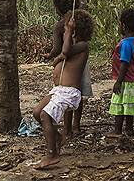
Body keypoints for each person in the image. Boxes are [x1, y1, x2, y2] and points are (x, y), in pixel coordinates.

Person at [32, 10, 93, 170]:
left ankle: (52, 154)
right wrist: (58, 58)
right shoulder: (73, 47)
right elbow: (61, 57)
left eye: (66, 29)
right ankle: (57, 137)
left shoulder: (82, 46)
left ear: (75, 31)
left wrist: (69, 31)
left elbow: (65, 51)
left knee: (46, 115)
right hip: (58, 90)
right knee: (37, 112)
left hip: (69, 92)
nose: (64, 32)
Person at [45, 0, 92, 137]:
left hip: (67, 67)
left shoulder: (60, 25)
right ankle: (76, 126)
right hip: (81, 64)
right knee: (77, 94)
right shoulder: (81, 18)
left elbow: (59, 49)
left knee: (65, 95)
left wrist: (51, 55)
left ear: (57, 7)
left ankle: (67, 128)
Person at [108, 7, 134, 138]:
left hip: (125, 81)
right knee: (128, 107)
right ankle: (129, 129)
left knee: (119, 106)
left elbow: (124, 63)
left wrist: (118, 81)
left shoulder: (125, 44)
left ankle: (117, 130)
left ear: (124, 26)